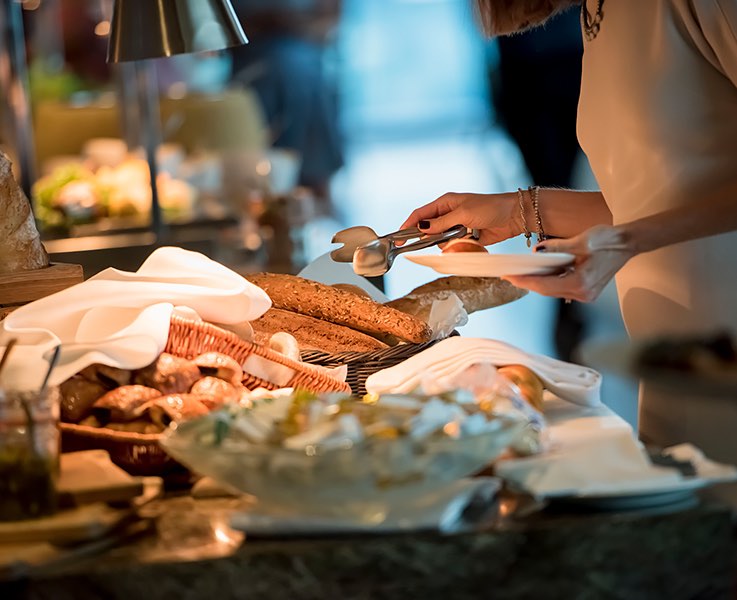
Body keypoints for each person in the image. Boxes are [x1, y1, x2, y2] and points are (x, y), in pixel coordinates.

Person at [402, 0, 737, 503]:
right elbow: (663, 196)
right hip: (677, 363)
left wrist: (626, 243)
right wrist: (520, 210)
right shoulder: (597, 9)